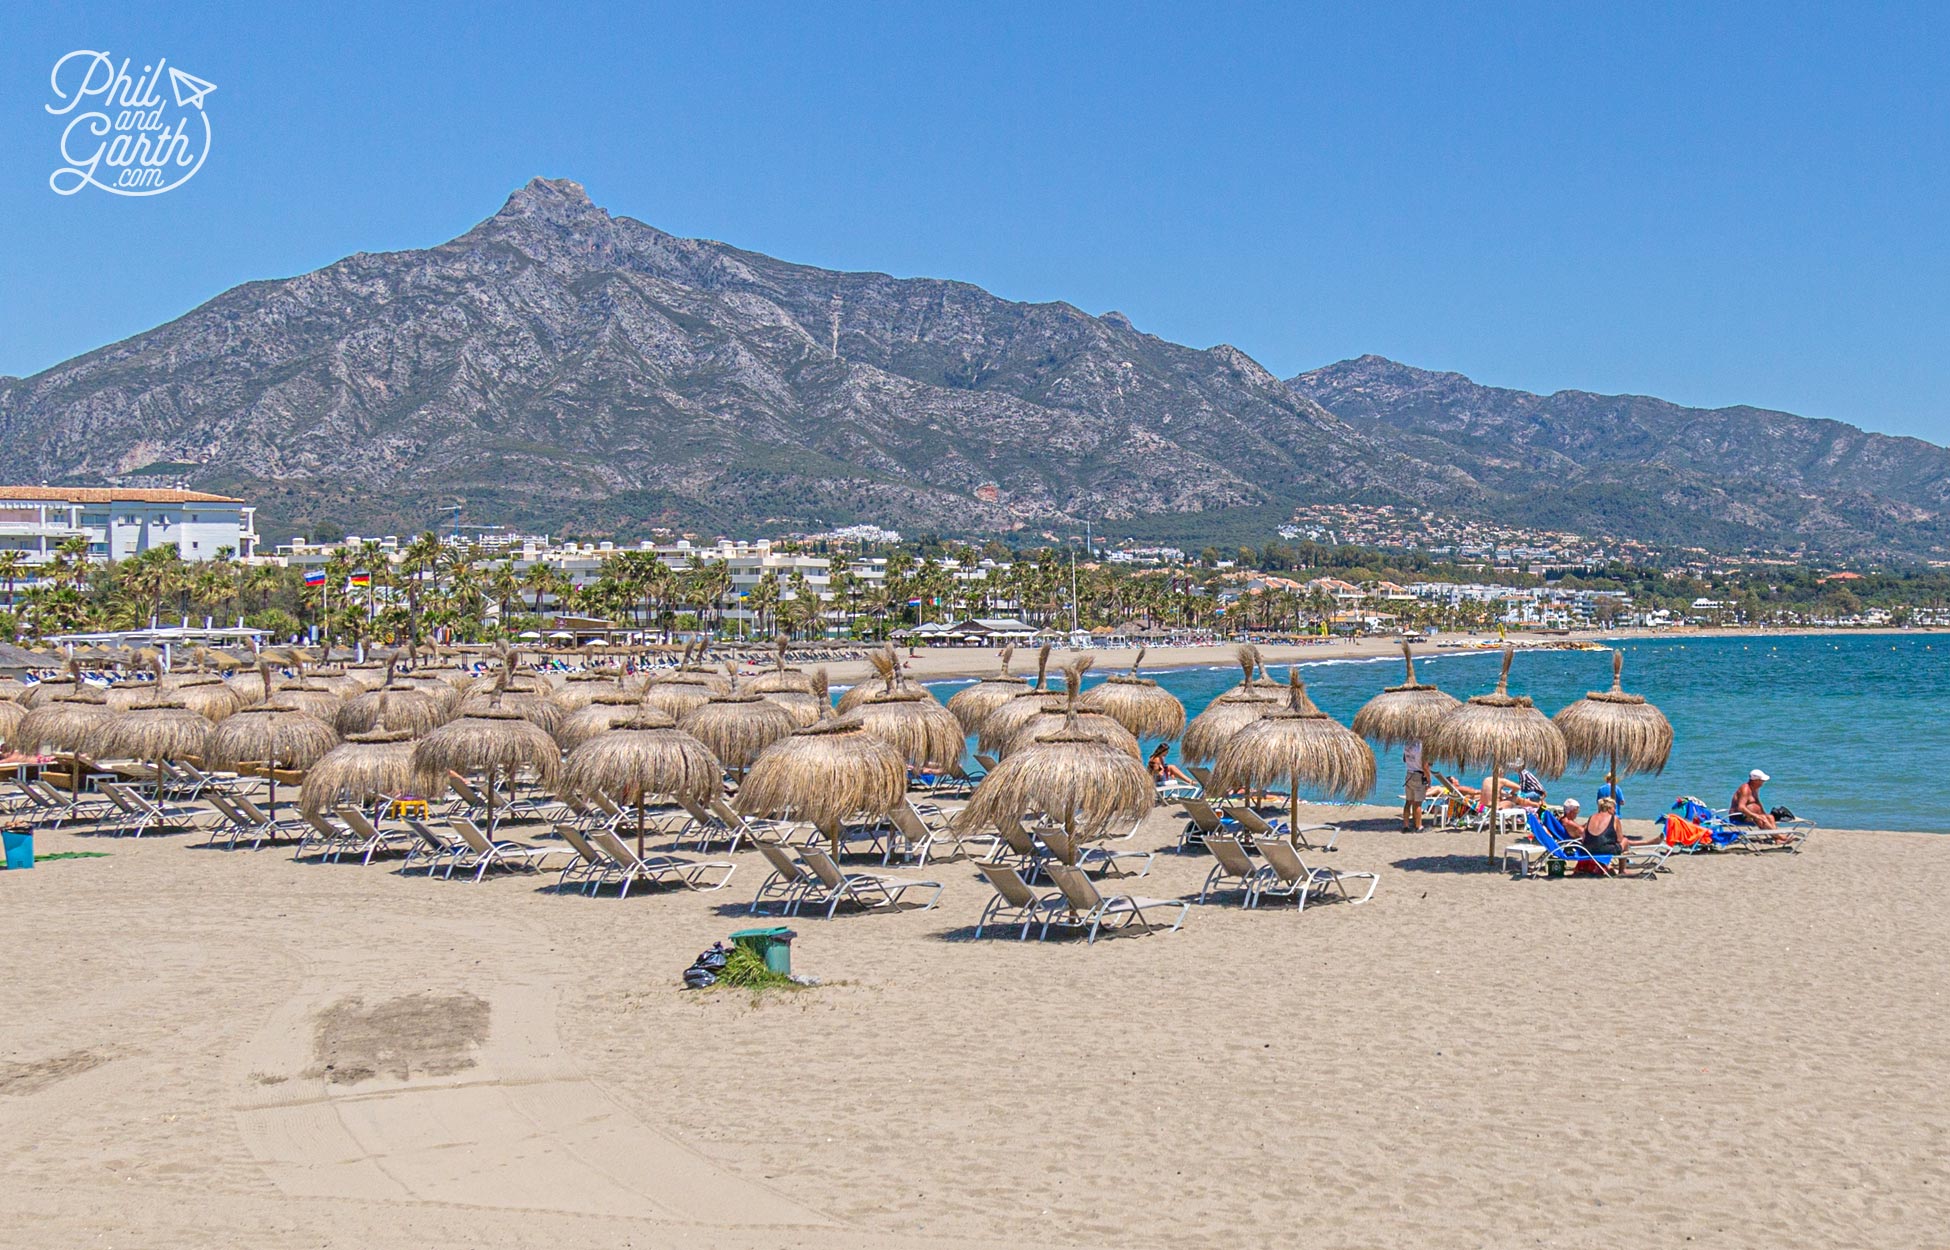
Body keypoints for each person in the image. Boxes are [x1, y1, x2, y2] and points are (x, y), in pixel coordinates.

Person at [1400, 740, 1428, 832]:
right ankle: (1418, 826)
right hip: (1418, 775)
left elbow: (1404, 759)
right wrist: (1428, 779)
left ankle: (1406, 825)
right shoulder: (1422, 747)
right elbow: (1425, 766)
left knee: (1408, 802)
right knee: (1418, 803)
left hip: (1409, 774)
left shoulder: (1407, 744)